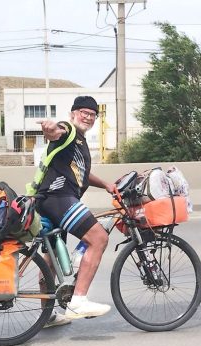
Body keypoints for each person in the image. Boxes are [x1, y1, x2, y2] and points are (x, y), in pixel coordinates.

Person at [31, 96, 116, 327]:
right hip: (59, 199)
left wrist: (106, 185)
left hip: (47, 200)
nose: (87, 117)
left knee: (50, 260)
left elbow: (80, 173)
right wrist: (50, 129)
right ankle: (78, 301)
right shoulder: (68, 131)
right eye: (83, 112)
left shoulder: (79, 141)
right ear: (72, 114)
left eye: (92, 114)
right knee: (98, 238)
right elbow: (56, 131)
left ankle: (46, 316)